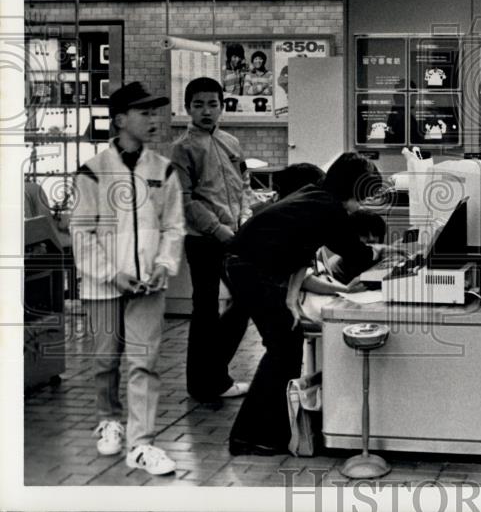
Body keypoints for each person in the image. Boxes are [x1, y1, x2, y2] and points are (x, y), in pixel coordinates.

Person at [223, 152, 386, 455]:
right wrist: (380, 252)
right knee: (283, 344)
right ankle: (250, 436)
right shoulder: (329, 209)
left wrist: (289, 300)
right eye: (361, 197)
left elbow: (299, 253)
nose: (360, 206)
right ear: (351, 188)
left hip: (246, 264)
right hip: (248, 267)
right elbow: (356, 253)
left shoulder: (316, 198)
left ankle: (262, 432)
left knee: (286, 340)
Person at [69, 82, 184, 476]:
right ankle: (109, 419)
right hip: (103, 284)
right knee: (105, 360)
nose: (153, 120)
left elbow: (174, 226)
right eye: (144, 113)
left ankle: (142, 443)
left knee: (144, 362)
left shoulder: (163, 170)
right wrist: (109, 274)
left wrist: (163, 266)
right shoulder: (92, 172)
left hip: (149, 285)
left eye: (155, 113)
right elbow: (81, 232)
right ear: (119, 120)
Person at [169, 77, 251, 402]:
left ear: (222, 105)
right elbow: (185, 200)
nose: (206, 111)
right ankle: (208, 382)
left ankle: (209, 379)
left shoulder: (231, 142)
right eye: (199, 104)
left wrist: (245, 219)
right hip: (203, 240)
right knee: (205, 310)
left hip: (234, 234)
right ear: (187, 107)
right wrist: (219, 229)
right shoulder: (182, 148)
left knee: (243, 301)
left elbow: (244, 185)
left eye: (212, 104)